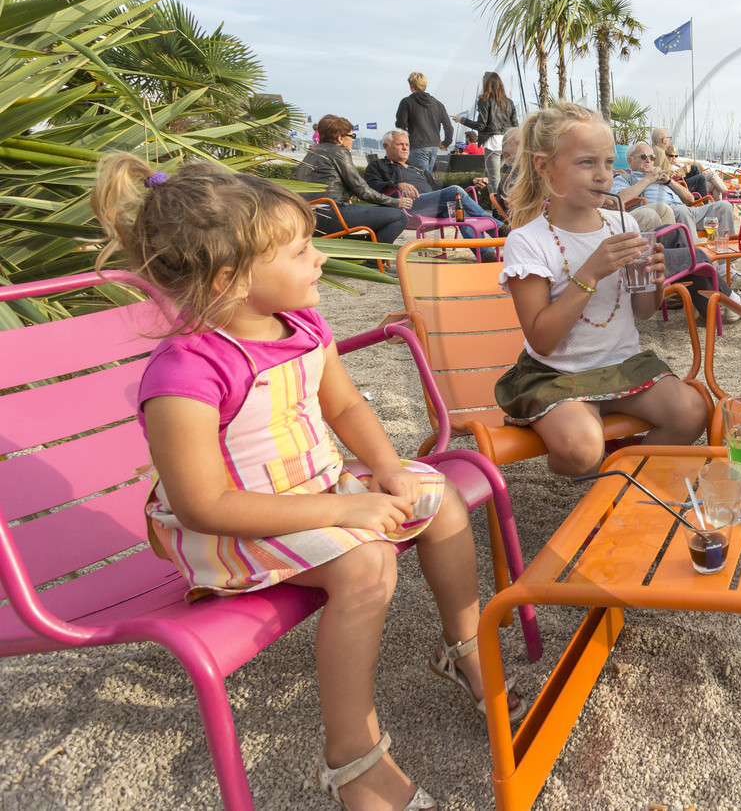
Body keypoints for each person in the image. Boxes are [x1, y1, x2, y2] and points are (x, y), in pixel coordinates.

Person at [93, 154, 518, 811]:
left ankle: (464, 648)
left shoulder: (304, 327)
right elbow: (206, 504)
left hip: (315, 491)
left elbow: (344, 407)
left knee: (441, 499)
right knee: (368, 563)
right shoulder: (186, 375)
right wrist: (345, 515)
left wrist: (383, 468)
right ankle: (354, 761)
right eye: (299, 250)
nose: (318, 257)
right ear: (231, 280)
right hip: (234, 528)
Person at [495, 104, 708, 477]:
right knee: (580, 448)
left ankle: (621, 484)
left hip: (622, 365)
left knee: (692, 412)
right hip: (557, 373)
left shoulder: (619, 223)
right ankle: (602, 472)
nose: (603, 175)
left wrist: (655, 281)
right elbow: (542, 340)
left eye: (609, 163)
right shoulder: (528, 241)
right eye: (586, 163)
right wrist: (589, 273)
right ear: (544, 167)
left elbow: (642, 311)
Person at [364, 131, 501, 241]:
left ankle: (485, 254)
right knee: (454, 192)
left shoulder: (416, 167)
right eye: (400, 144)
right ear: (386, 146)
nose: (405, 148)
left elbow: (441, 188)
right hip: (408, 207)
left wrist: (472, 183)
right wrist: (397, 184)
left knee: (461, 214)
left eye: (407, 144)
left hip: (433, 206)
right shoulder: (378, 166)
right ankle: (499, 228)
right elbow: (370, 187)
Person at [295, 115, 409, 245]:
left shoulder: (312, 153)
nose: (353, 140)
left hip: (309, 216)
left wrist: (348, 192)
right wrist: (396, 202)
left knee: (382, 214)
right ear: (340, 138)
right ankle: (372, 262)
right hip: (330, 214)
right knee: (399, 217)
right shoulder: (338, 152)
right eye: (352, 136)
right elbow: (362, 190)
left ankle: (361, 247)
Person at [613, 141, 735, 240]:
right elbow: (619, 199)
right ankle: (697, 262)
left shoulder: (661, 178)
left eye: (651, 157)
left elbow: (690, 199)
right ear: (629, 161)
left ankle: (727, 265)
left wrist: (669, 181)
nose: (648, 160)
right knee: (681, 210)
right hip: (665, 215)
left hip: (687, 211)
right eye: (643, 157)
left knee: (724, 206)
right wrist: (647, 179)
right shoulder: (626, 178)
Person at [455, 71, 517, 192]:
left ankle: (497, 209)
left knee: (493, 179)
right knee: (489, 175)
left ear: (486, 84)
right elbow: (515, 125)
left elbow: (481, 125)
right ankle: (481, 197)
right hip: (506, 144)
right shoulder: (509, 102)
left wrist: (462, 120)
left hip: (493, 143)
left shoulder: (484, 100)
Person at [395, 72, 452, 174]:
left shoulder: (407, 102)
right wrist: (445, 143)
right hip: (434, 146)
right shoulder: (438, 104)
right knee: (428, 178)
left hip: (416, 145)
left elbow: (401, 125)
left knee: (421, 180)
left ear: (411, 86)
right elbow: (448, 127)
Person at [651, 125, 727, 199]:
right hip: (673, 185)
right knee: (702, 178)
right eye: (669, 138)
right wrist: (682, 170)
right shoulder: (660, 153)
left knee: (694, 168)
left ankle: (702, 196)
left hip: (674, 181)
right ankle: (705, 203)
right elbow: (664, 176)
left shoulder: (657, 150)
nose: (669, 141)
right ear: (664, 140)